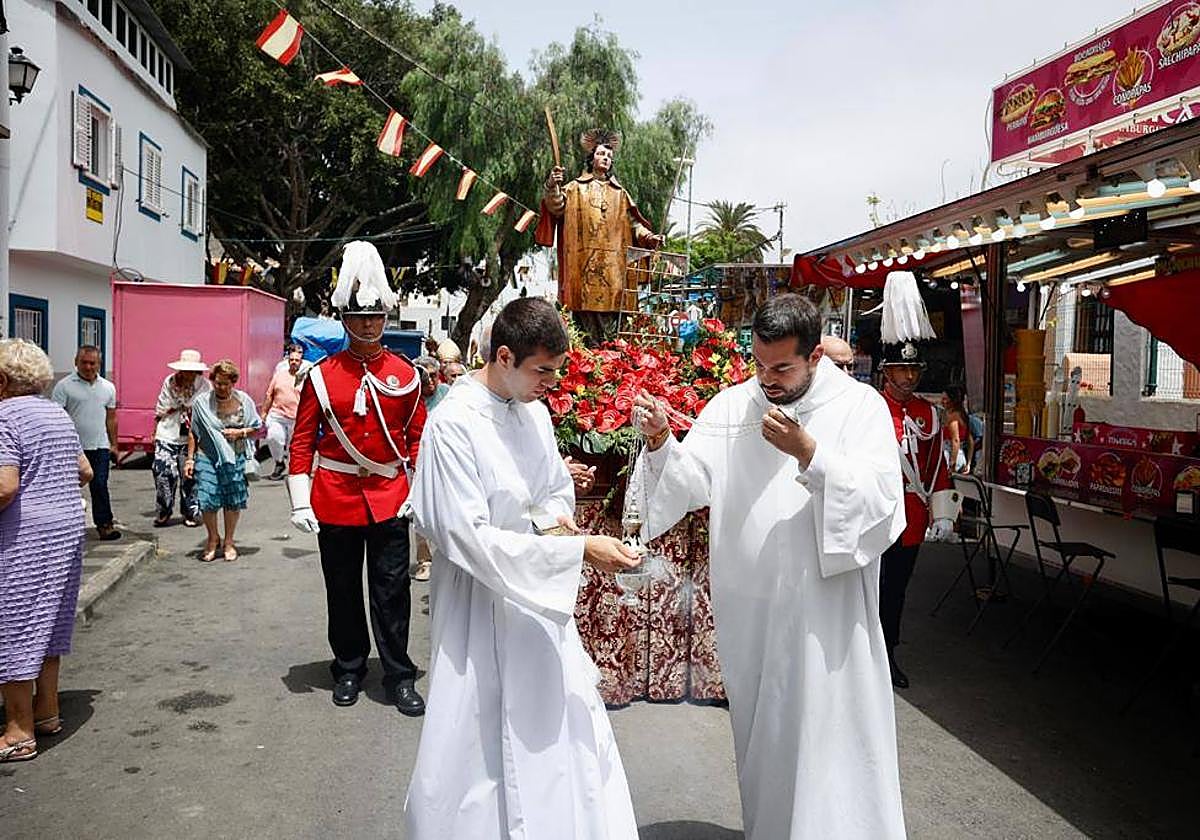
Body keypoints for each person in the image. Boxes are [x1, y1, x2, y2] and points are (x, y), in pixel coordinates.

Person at [631, 293, 907, 840]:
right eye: (759, 364)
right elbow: (691, 483)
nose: (768, 379)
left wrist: (812, 454)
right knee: (767, 732)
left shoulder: (860, 408)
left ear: (815, 357)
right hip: (751, 608)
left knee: (831, 731)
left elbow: (882, 506)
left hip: (825, 614)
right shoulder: (735, 405)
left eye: (781, 367)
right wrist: (662, 440)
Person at [405, 297, 641, 837]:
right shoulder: (453, 425)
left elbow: (552, 492)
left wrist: (560, 527)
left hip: (538, 601)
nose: (551, 384)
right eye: (543, 371)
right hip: (478, 600)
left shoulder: (534, 413)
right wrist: (576, 551)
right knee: (479, 741)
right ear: (504, 356)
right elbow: (468, 537)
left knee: (556, 736)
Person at [287, 241, 427, 715]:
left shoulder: (406, 374)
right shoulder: (322, 376)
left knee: (392, 591)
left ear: (386, 318)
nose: (368, 324)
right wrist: (300, 499)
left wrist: (418, 491)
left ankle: (398, 673)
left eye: (375, 316)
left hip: (390, 495)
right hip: (337, 495)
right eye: (358, 316)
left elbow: (417, 439)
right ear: (344, 320)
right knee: (342, 588)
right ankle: (348, 667)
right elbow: (302, 441)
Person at [0, 339, 92, 762]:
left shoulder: (4, 416)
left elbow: (5, 486)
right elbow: (84, 471)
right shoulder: (57, 413)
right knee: (50, 621)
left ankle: (17, 731)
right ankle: (46, 712)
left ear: (2, 380)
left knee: (14, 627)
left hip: (26, 534)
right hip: (67, 529)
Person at [877, 271, 958, 689]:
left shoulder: (929, 414)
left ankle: (888, 655)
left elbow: (937, 466)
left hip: (910, 522)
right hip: (876, 518)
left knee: (896, 594)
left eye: (913, 369)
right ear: (885, 371)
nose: (908, 378)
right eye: (900, 369)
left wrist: (943, 512)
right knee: (870, 592)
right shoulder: (871, 409)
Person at [536, 128, 664, 342]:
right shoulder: (575, 188)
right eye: (601, 154)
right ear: (591, 157)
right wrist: (552, 184)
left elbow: (634, 225)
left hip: (615, 269)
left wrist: (650, 237)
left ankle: (611, 359)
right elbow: (555, 206)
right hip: (583, 267)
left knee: (614, 319)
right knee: (585, 321)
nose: (605, 158)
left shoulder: (620, 193)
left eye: (609, 156)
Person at [185, 360, 261, 562]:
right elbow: (194, 432)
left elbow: (257, 428)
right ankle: (212, 539)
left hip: (234, 457)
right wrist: (189, 460)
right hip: (207, 456)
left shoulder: (244, 401)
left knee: (232, 500)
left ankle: (229, 541)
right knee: (207, 499)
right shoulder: (202, 403)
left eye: (225, 383)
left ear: (233, 382)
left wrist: (240, 432)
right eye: (217, 383)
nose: (221, 387)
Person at [51, 345, 120, 541]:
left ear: (99, 364)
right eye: (84, 362)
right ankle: (65, 526)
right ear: (76, 362)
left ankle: (105, 525)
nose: (88, 367)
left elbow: (111, 418)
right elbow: (56, 418)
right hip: (73, 448)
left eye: (93, 363)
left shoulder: (108, 387)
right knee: (69, 487)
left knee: (99, 485)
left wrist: (114, 444)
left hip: (99, 446)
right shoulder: (64, 386)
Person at [152, 349, 211, 527]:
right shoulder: (170, 382)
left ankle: (191, 511)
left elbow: (206, 409)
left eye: (191, 370)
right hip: (168, 431)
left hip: (193, 435)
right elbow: (163, 406)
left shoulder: (204, 385)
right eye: (184, 369)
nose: (187, 374)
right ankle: (164, 509)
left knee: (190, 475)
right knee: (163, 472)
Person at [262, 345, 304, 480]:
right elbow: (269, 395)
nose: (293, 362)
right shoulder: (279, 376)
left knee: (295, 446)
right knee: (274, 437)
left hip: (296, 417)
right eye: (291, 360)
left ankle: (296, 469)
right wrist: (264, 412)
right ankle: (279, 463)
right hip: (277, 414)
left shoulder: (305, 378)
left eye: (296, 360)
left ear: (301, 362)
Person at [942, 386, 973, 474]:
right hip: (961, 456)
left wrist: (952, 463)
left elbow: (955, 441)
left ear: (952, 400)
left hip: (951, 456)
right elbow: (970, 440)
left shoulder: (953, 417)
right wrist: (969, 463)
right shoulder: (962, 414)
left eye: (945, 399)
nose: (942, 402)